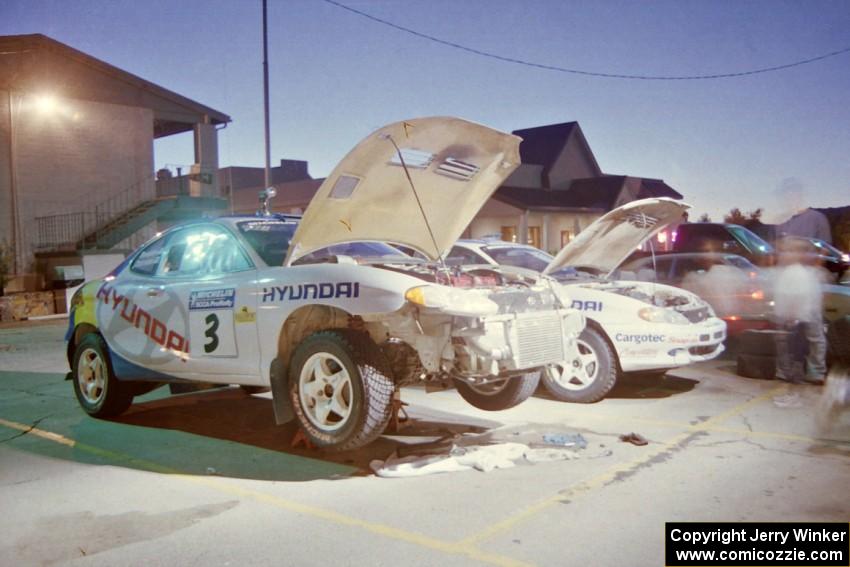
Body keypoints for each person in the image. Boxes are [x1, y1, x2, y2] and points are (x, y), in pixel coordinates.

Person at [771, 237, 827, 384]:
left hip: (793, 311)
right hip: (805, 310)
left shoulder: (794, 272)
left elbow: (793, 294)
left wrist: (790, 313)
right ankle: (814, 372)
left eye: (789, 251)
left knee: (785, 342)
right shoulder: (806, 271)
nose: (784, 254)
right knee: (814, 341)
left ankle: (786, 371)